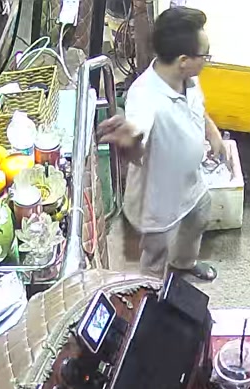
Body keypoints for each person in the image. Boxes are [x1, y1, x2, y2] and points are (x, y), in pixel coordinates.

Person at [97, 7, 227, 281]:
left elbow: (198, 109)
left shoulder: (188, 79)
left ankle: (184, 262)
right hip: (158, 201)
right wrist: (129, 139)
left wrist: (212, 132)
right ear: (183, 60)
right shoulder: (145, 96)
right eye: (205, 55)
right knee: (156, 253)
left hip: (192, 186)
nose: (207, 60)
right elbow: (137, 133)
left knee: (199, 218)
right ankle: (152, 288)